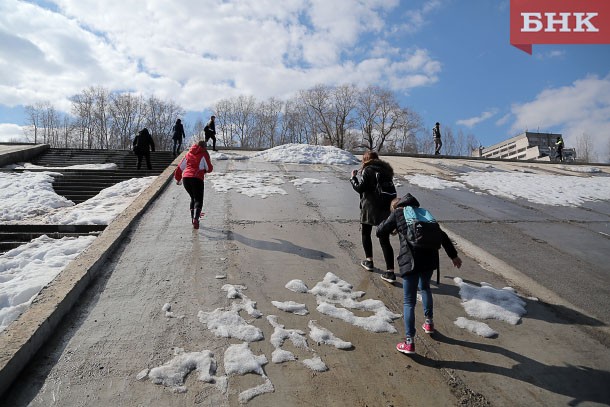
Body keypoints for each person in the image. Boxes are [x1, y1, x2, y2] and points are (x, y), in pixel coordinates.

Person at [376, 193, 462, 355]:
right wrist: (453, 255)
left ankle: (409, 342)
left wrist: (392, 222)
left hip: (411, 261)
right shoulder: (423, 211)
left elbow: (380, 231)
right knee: (425, 288)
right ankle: (429, 323)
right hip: (430, 259)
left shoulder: (398, 213)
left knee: (409, 302)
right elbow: (441, 235)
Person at [350, 151, 396, 283]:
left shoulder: (368, 170)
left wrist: (353, 178)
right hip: (385, 207)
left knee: (366, 233)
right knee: (384, 239)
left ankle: (369, 261)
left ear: (365, 160)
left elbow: (360, 188)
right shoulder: (386, 171)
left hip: (370, 207)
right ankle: (390, 272)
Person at [174, 140, 214, 229]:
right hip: (197, 179)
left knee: (193, 198)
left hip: (186, 179)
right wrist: (204, 169)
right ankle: (196, 219)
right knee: (199, 199)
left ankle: (193, 218)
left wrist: (178, 178)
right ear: (204, 147)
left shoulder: (188, 154)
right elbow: (209, 168)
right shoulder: (203, 154)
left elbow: (180, 167)